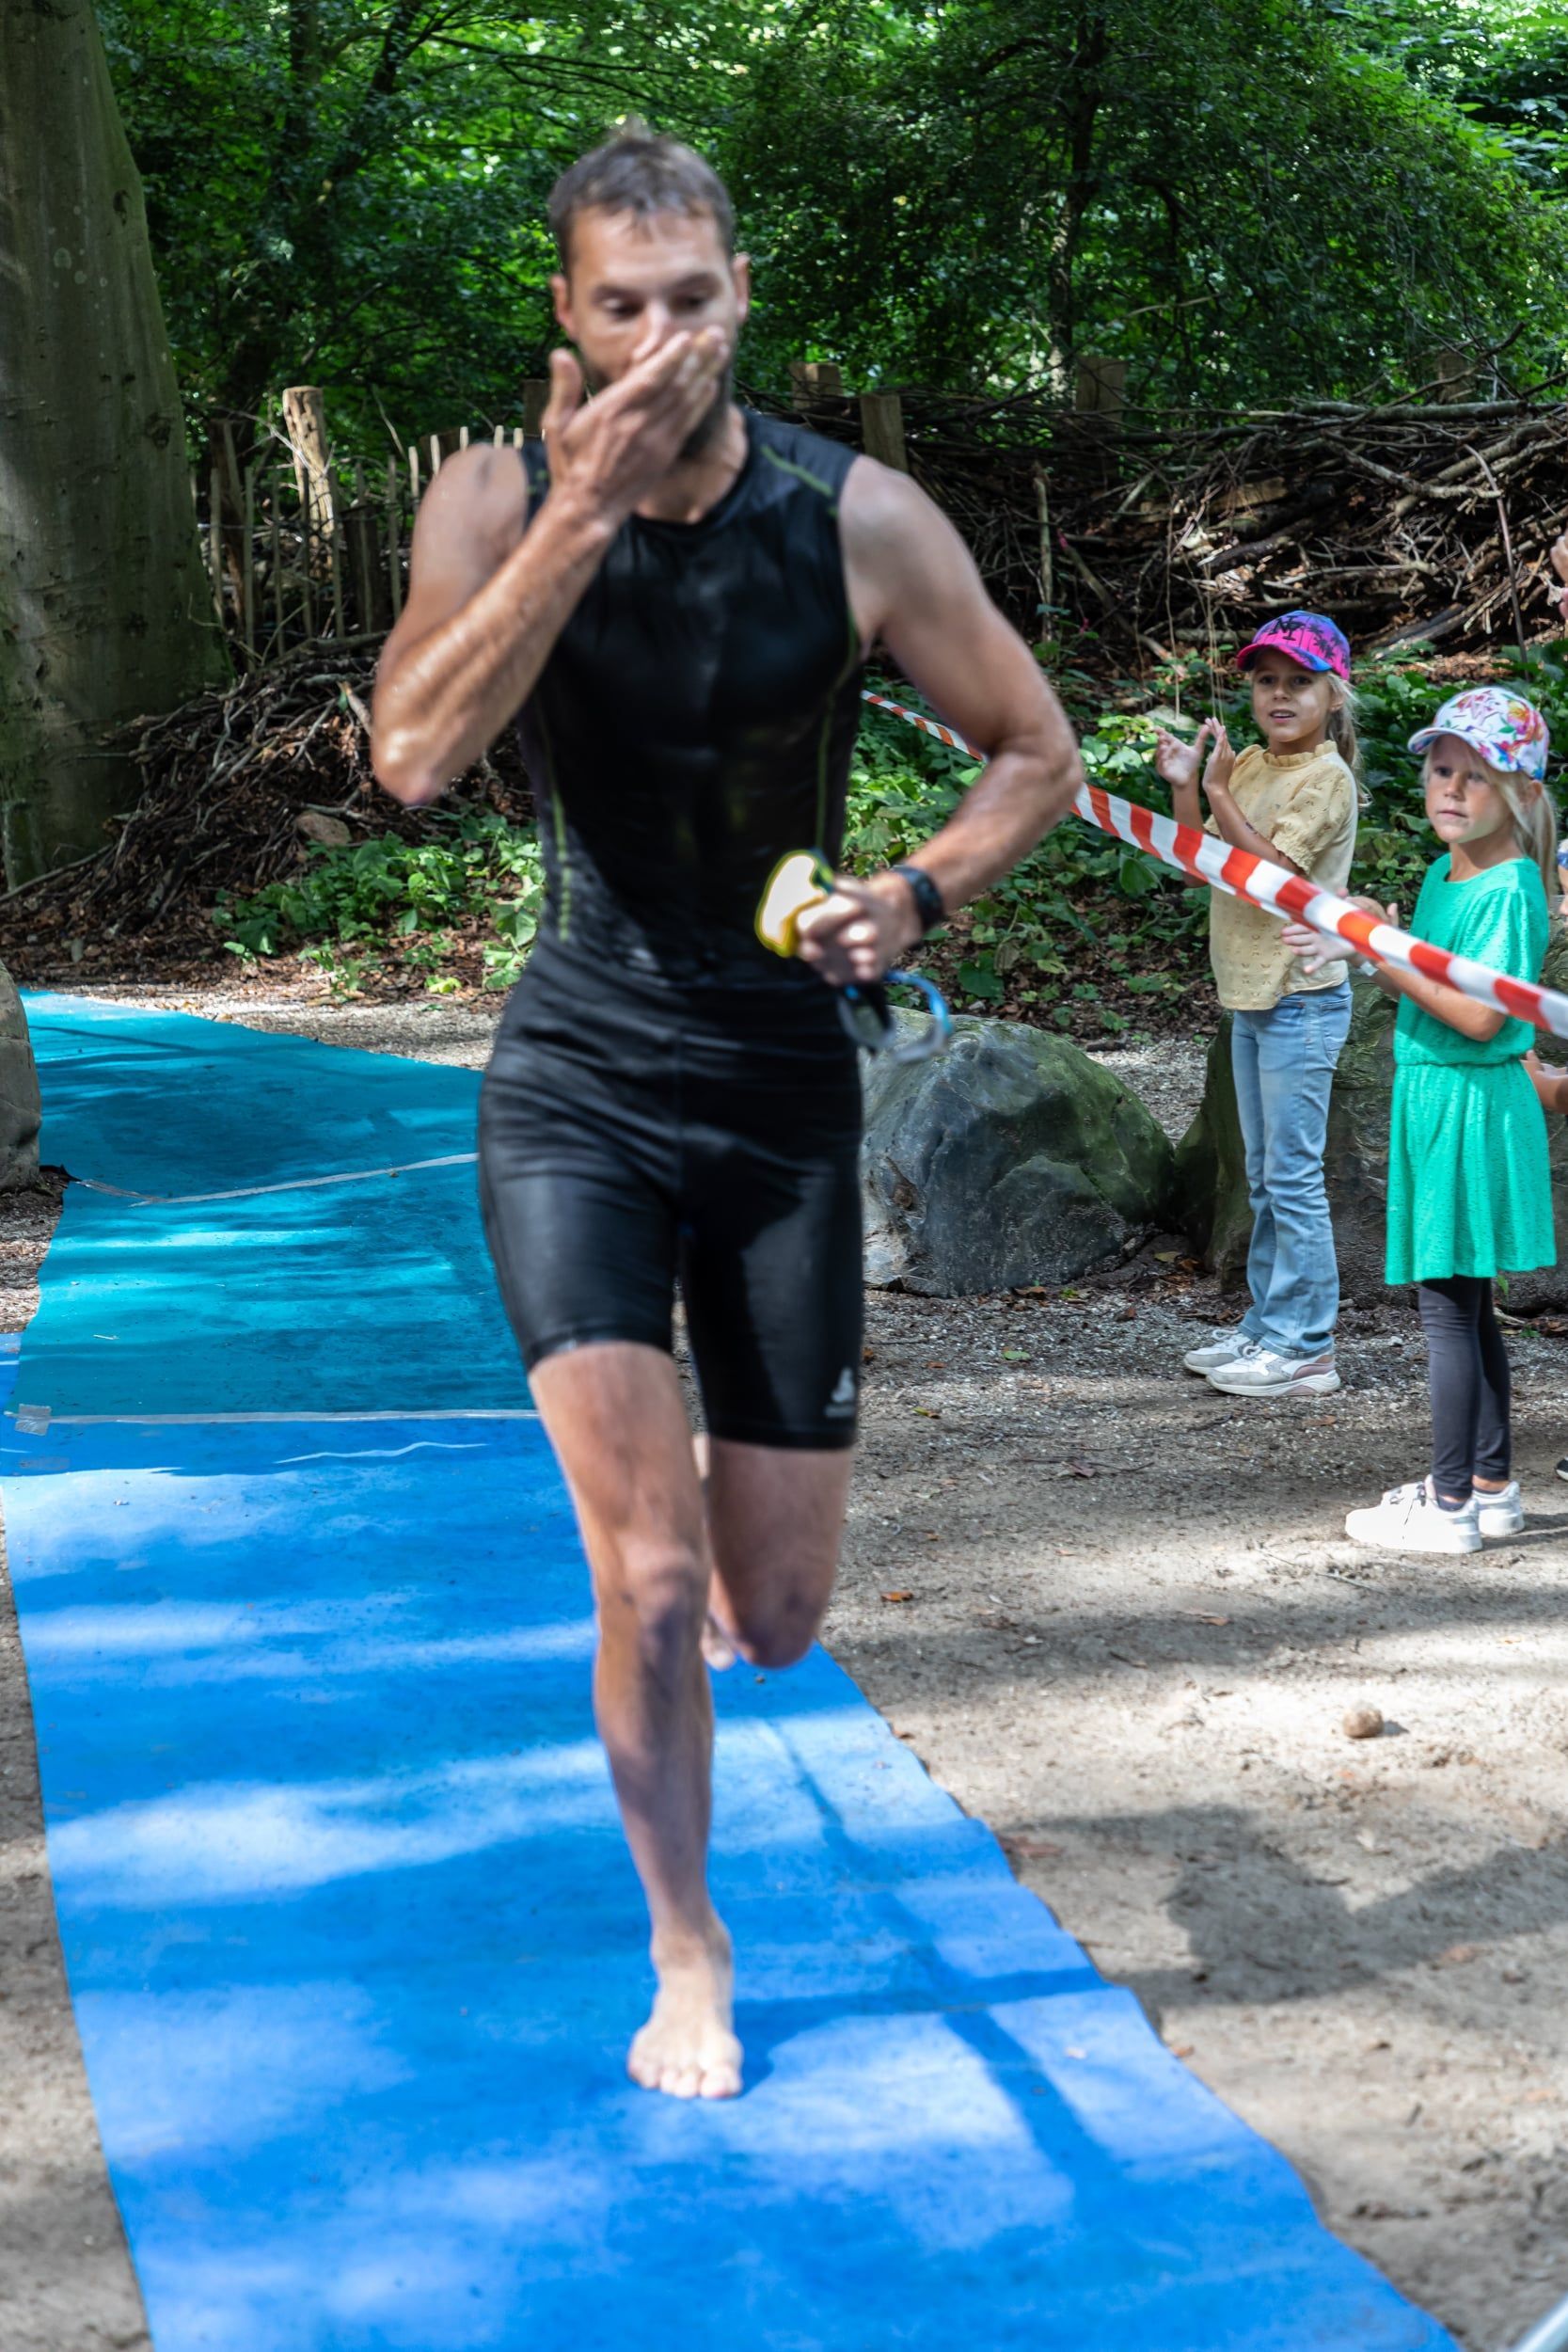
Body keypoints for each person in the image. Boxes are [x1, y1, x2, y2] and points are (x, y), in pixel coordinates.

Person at [369, 130, 1084, 2100]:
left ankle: (702, 1758)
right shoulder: (493, 496)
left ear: (741, 295)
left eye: (693, 300)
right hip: (577, 1082)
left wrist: (914, 889)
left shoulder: (861, 522)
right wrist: (578, 515)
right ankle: (686, 1942)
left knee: (769, 1613)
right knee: (651, 1578)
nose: (662, 338)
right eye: (621, 304)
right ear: (567, 316)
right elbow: (417, 751)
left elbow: (1035, 749)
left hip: (777, 1089)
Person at [1283, 688, 1557, 1554]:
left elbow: (1479, 1018)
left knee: (1445, 1307)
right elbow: (1423, 972)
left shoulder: (1510, 887)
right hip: (1433, 1095)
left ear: (1518, 793)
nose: (1448, 789)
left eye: (1473, 776)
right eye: (1440, 770)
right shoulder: (1447, 871)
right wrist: (1373, 944)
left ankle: (1446, 1509)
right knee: (1467, 1306)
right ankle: (1489, 1485)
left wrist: (1372, 950)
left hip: (1471, 1101)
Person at [1153, 612, 1360, 1398]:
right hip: (1248, 993)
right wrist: (1186, 789)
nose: (1279, 694)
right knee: (1267, 1178)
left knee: (1293, 1177)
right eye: (1266, 680)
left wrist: (1213, 786)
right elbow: (1202, 864)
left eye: (1298, 681)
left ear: (1331, 696)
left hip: (1301, 997)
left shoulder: (1326, 778)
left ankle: (1307, 1346)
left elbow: (1269, 868)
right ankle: (1267, 1327)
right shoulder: (1244, 769)